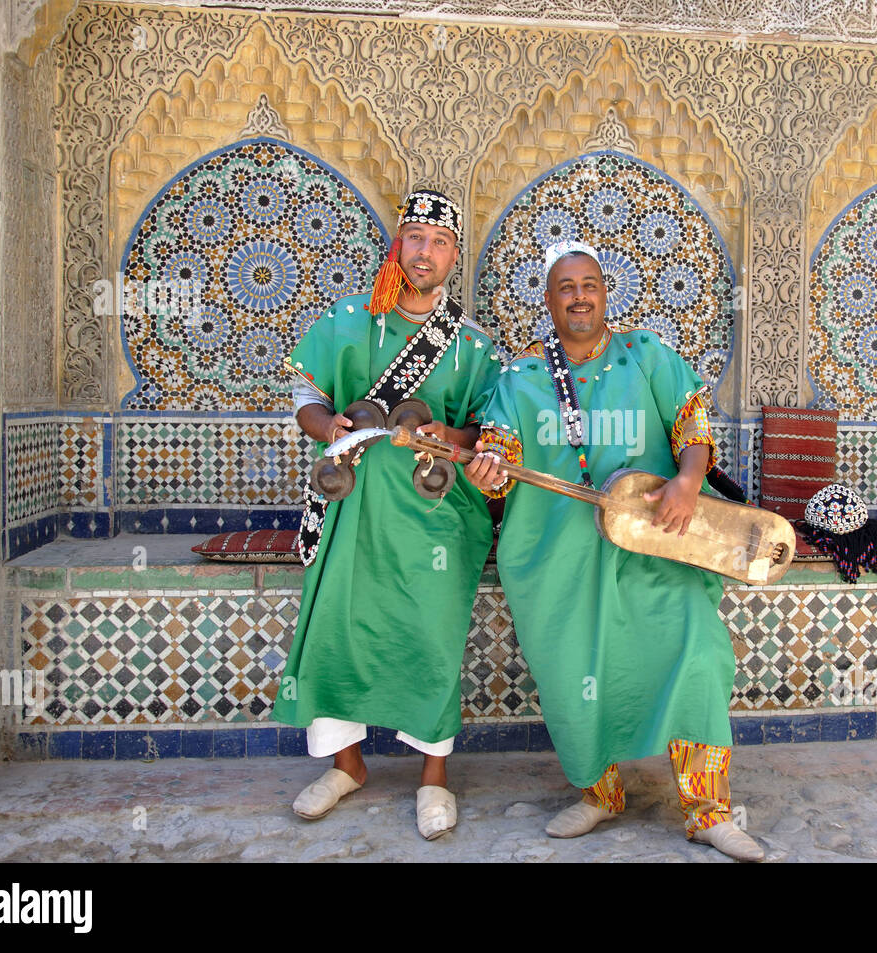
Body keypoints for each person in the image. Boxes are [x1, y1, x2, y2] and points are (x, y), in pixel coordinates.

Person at [463, 241, 764, 861]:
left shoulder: (645, 355)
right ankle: (601, 794)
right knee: (576, 678)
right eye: (565, 287)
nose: (579, 295)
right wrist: (488, 470)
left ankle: (709, 810)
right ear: (548, 302)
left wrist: (686, 478)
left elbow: (692, 418)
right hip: (558, 560)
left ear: (605, 293)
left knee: (699, 656)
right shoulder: (520, 378)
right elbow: (497, 451)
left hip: (656, 548)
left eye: (589, 284)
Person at [274, 188, 500, 839]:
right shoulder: (350, 321)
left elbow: (489, 430)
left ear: (455, 254)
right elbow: (306, 394)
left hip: (436, 517)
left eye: (438, 241)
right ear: (398, 243)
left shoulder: (472, 345)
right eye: (415, 238)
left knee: (430, 635)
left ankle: (434, 777)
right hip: (351, 508)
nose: (424, 251)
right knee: (336, 629)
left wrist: (443, 440)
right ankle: (348, 765)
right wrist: (329, 424)